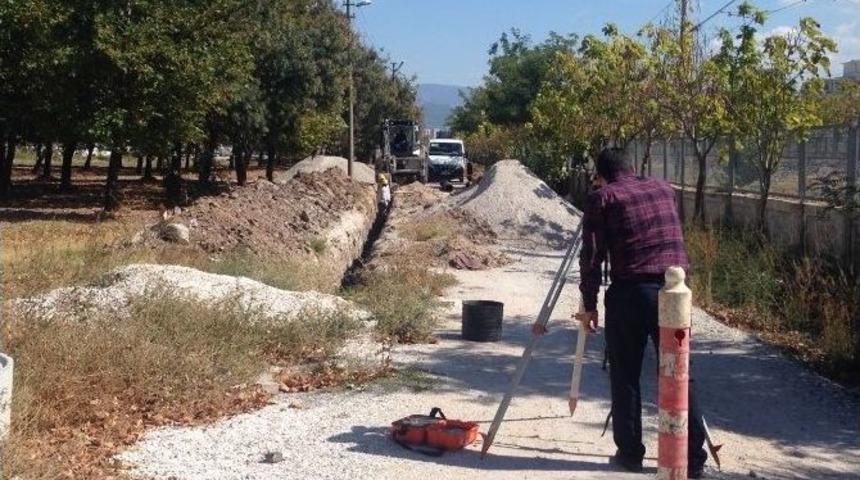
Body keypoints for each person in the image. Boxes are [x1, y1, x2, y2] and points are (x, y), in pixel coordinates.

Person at [532, 148, 708, 478]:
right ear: (632, 166)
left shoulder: (604, 198)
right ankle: (693, 458)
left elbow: (592, 257)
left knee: (625, 373)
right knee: (679, 372)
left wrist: (589, 304)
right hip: (676, 290)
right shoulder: (663, 187)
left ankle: (630, 453)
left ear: (600, 175)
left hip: (631, 292)